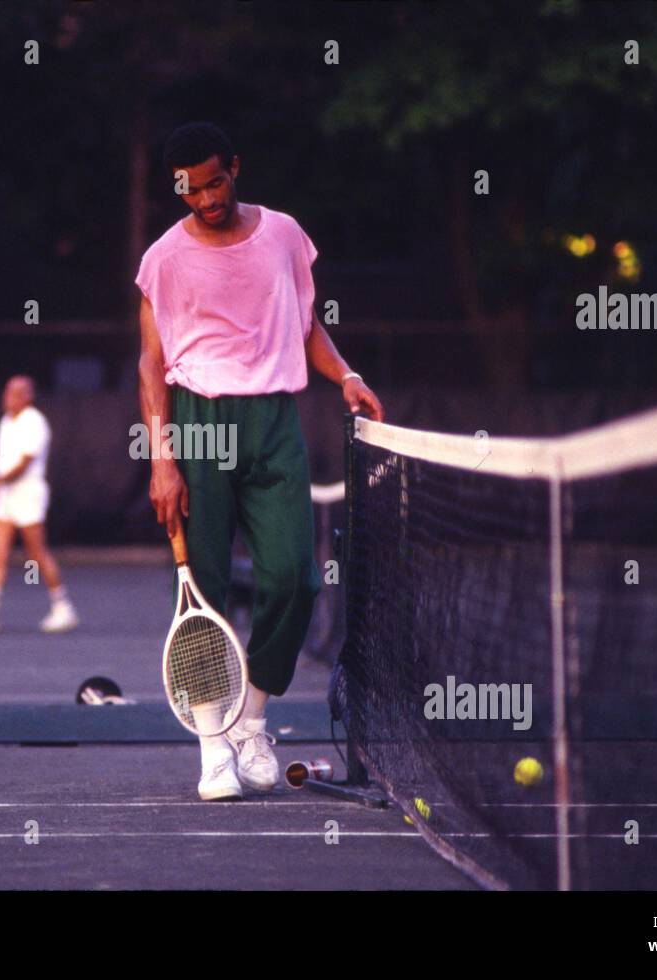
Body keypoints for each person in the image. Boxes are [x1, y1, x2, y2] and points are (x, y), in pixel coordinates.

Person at [136, 122, 383, 801]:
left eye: (215, 182)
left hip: (274, 419)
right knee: (204, 588)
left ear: (235, 169)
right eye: (191, 189)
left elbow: (305, 327)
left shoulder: (283, 235)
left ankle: (251, 721)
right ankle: (213, 746)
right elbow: (151, 363)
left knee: (295, 579)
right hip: (197, 421)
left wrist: (347, 376)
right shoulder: (163, 258)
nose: (206, 198)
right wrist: (163, 457)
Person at [0, 375, 78, 634]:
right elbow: (5, 464)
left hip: (29, 494)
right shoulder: (6, 421)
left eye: (13, 393)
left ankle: (63, 608)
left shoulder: (35, 423)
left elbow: (22, 465)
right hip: (5, 497)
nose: (6, 398)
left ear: (27, 397)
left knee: (37, 553)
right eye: (6, 392)